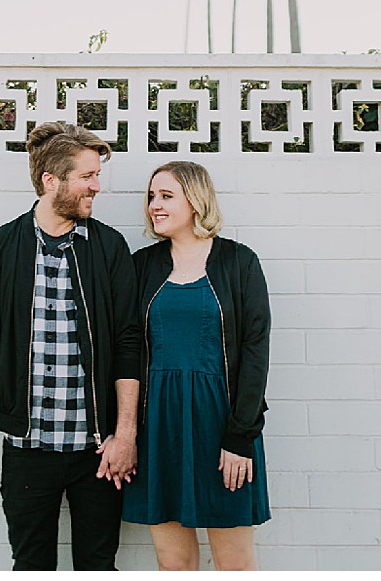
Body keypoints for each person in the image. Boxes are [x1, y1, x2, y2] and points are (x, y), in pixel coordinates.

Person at [0, 120, 140, 571]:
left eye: (97, 176)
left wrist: (126, 435)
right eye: (87, 176)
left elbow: (128, 343)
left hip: (97, 450)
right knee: (31, 565)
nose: (97, 187)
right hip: (27, 447)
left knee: (98, 565)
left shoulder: (109, 247)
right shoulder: (0, 248)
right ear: (51, 180)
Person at [122, 160, 271, 571]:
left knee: (235, 565)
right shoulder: (142, 266)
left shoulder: (239, 263)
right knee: (174, 565)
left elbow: (256, 351)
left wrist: (240, 437)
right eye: (152, 196)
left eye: (166, 196)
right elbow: (127, 350)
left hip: (224, 429)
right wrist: (126, 432)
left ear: (196, 201)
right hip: (160, 430)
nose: (155, 205)